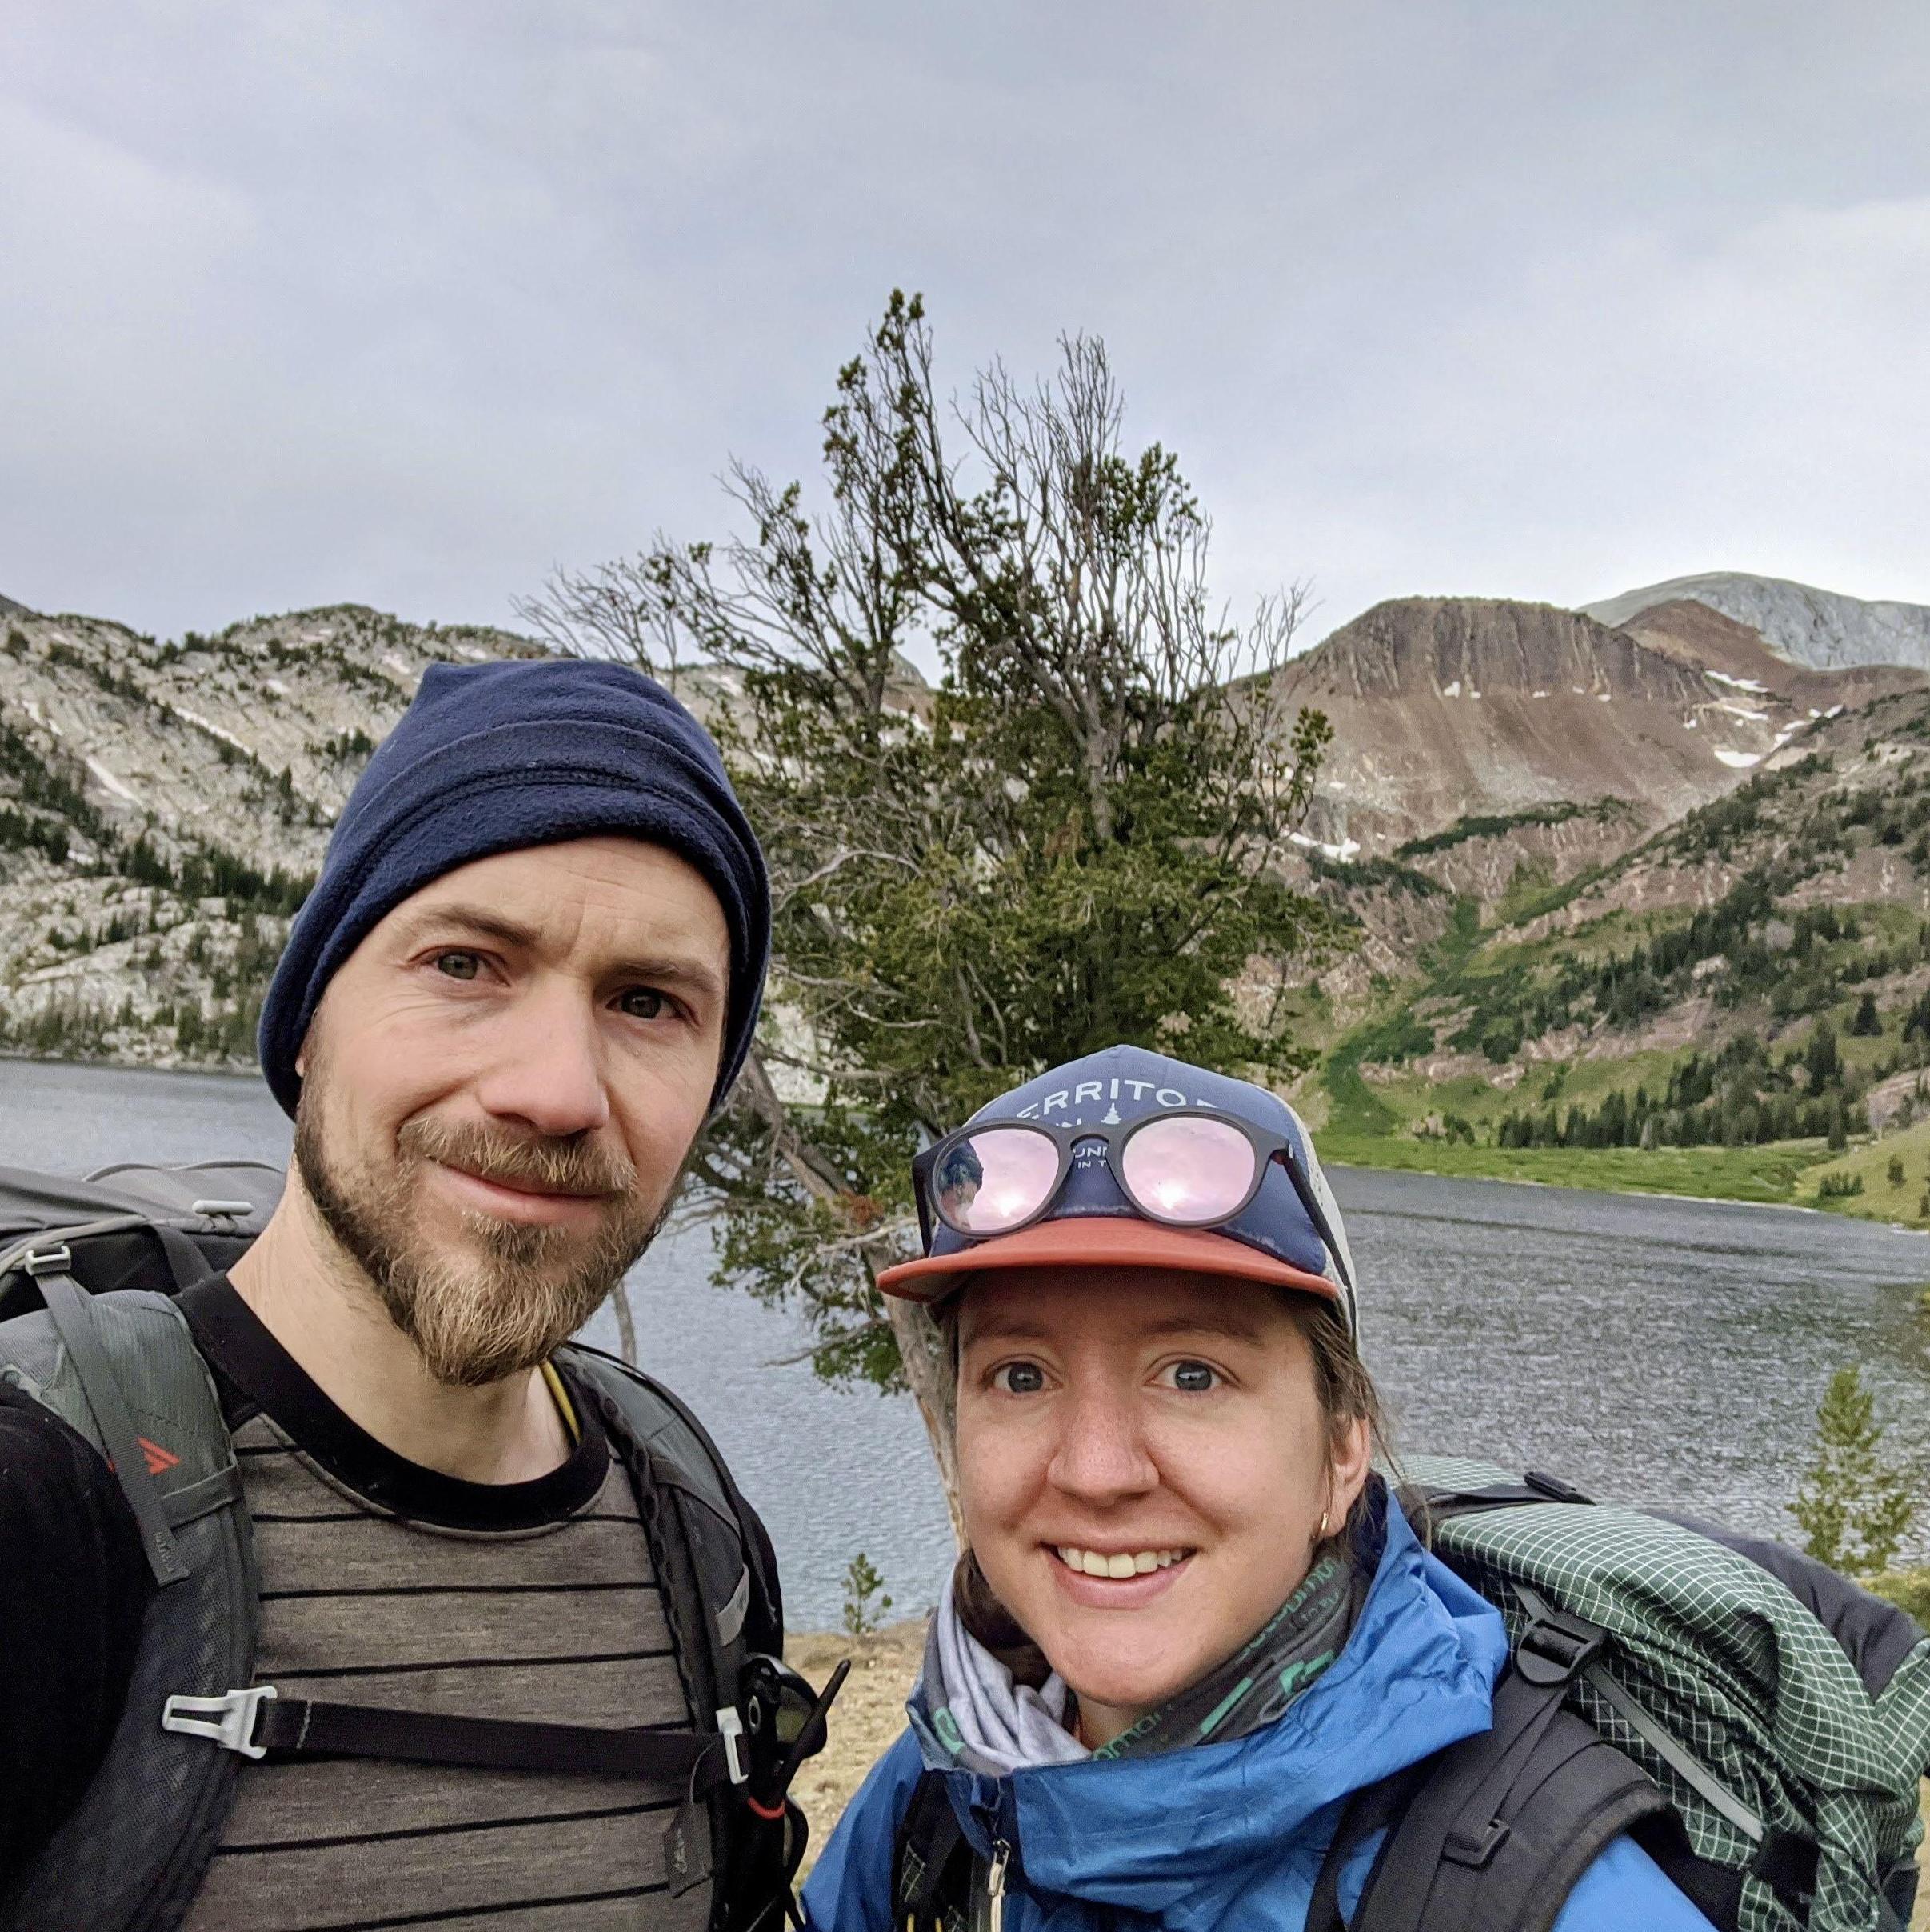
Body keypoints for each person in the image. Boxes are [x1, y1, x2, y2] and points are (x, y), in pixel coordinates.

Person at [0, 658, 780, 1930]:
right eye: (466, 962)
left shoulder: (697, 1534)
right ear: (311, 1020)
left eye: (648, 1002)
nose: (555, 1090)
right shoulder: (42, 1511)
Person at [802, 1044, 1718, 1932]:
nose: (1094, 1472)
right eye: (1020, 1377)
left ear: (1341, 1453)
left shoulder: (1530, 1895)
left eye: (1191, 1375)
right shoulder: (946, 1779)